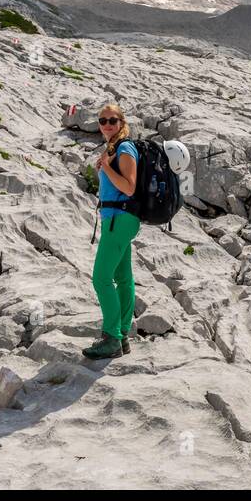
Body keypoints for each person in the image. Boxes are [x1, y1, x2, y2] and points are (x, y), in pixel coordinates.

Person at [84, 103, 140, 359]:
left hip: (120, 219)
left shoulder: (125, 147)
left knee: (101, 278)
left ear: (121, 122)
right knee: (123, 277)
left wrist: (105, 167)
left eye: (112, 120)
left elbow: (129, 188)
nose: (107, 125)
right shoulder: (114, 148)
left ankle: (112, 338)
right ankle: (123, 336)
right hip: (118, 220)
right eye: (102, 121)